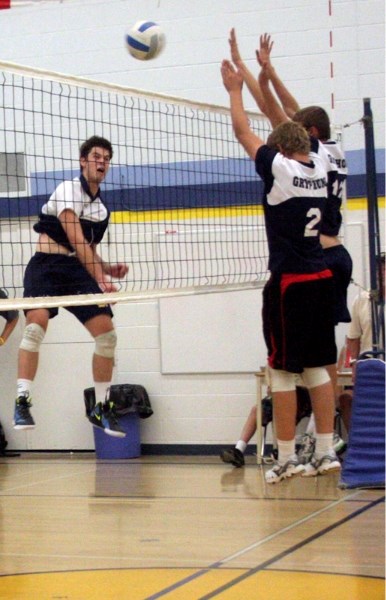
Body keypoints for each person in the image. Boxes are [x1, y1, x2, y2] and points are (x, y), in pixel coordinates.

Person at [228, 29, 352, 461]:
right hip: (329, 261)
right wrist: (261, 71)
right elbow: (285, 117)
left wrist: (243, 83)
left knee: (286, 367)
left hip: (301, 269)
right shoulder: (325, 155)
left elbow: (267, 121)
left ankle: (288, 455)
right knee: (321, 360)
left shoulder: (284, 167)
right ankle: (325, 444)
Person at [13, 135, 129, 438]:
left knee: (107, 335)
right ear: (83, 161)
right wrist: (101, 280)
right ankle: (23, 399)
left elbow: (86, 248)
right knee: (35, 326)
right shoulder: (68, 189)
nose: (101, 161)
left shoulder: (101, 211)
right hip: (46, 267)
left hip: (76, 271)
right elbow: (74, 237)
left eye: (106, 157)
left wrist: (105, 268)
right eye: (95, 156)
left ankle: (101, 407)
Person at [338, 253, 386, 432]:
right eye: (381, 271)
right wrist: (353, 364)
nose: (384, 275)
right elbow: (353, 338)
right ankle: (357, 444)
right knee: (346, 397)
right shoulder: (362, 300)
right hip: (370, 368)